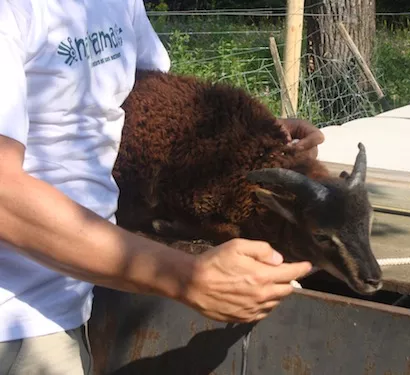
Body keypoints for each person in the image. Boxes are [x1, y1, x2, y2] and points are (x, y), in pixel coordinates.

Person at [0, 1, 325, 374]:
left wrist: (259, 143)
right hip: (16, 320)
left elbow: (145, 100)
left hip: (80, 288)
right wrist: (186, 277)